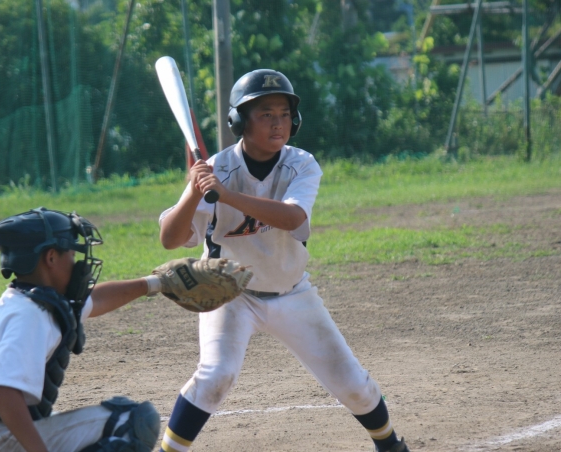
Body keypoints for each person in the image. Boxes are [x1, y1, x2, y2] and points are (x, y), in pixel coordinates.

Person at [156, 69, 411, 452]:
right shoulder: (218, 169)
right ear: (239, 122)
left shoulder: (302, 165)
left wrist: (226, 195)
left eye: (285, 114)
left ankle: (391, 446)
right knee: (215, 377)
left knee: (353, 385)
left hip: (291, 292)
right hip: (230, 294)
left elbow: (292, 218)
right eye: (266, 114)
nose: (278, 123)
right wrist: (194, 192)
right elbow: (170, 239)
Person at [0, 207, 168, 452]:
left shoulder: (34, 299)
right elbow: (2, 391)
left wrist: (158, 283)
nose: (76, 261)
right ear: (51, 258)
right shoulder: (30, 314)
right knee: (129, 422)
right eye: (71, 253)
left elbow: (97, 299)